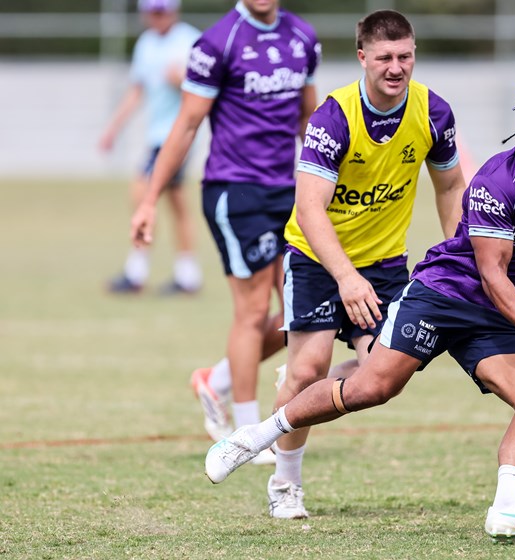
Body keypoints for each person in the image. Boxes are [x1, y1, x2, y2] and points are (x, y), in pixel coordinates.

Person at [204, 69, 515, 542]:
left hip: (494, 314)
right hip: (443, 295)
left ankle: (508, 509)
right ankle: (255, 437)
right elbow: (492, 273)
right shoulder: (497, 178)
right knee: (372, 387)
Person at [259, 10, 465, 519]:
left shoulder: (433, 112)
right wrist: (346, 278)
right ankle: (285, 486)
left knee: (383, 373)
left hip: (384, 264)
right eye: (385, 58)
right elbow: (309, 210)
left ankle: (295, 386)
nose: (396, 68)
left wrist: (463, 257)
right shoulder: (333, 117)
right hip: (315, 257)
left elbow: (451, 187)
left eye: (405, 56)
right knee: (311, 370)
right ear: (362, 58)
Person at [130, 0, 320, 462]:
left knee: (301, 313)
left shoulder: (303, 37)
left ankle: (214, 380)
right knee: (254, 312)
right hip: (236, 193)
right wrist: (151, 199)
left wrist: (317, 184)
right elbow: (187, 123)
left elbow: (307, 121)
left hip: (289, 191)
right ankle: (246, 432)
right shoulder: (217, 42)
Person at [100, 0, 202, 295]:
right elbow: (137, 89)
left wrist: (182, 79)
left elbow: (206, 88)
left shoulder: (190, 41)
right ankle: (186, 275)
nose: (158, 17)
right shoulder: (145, 44)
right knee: (176, 203)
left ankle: (138, 271)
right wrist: (113, 128)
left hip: (179, 135)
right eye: (153, 12)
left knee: (143, 195)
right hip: (157, 137)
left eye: (163, 11)